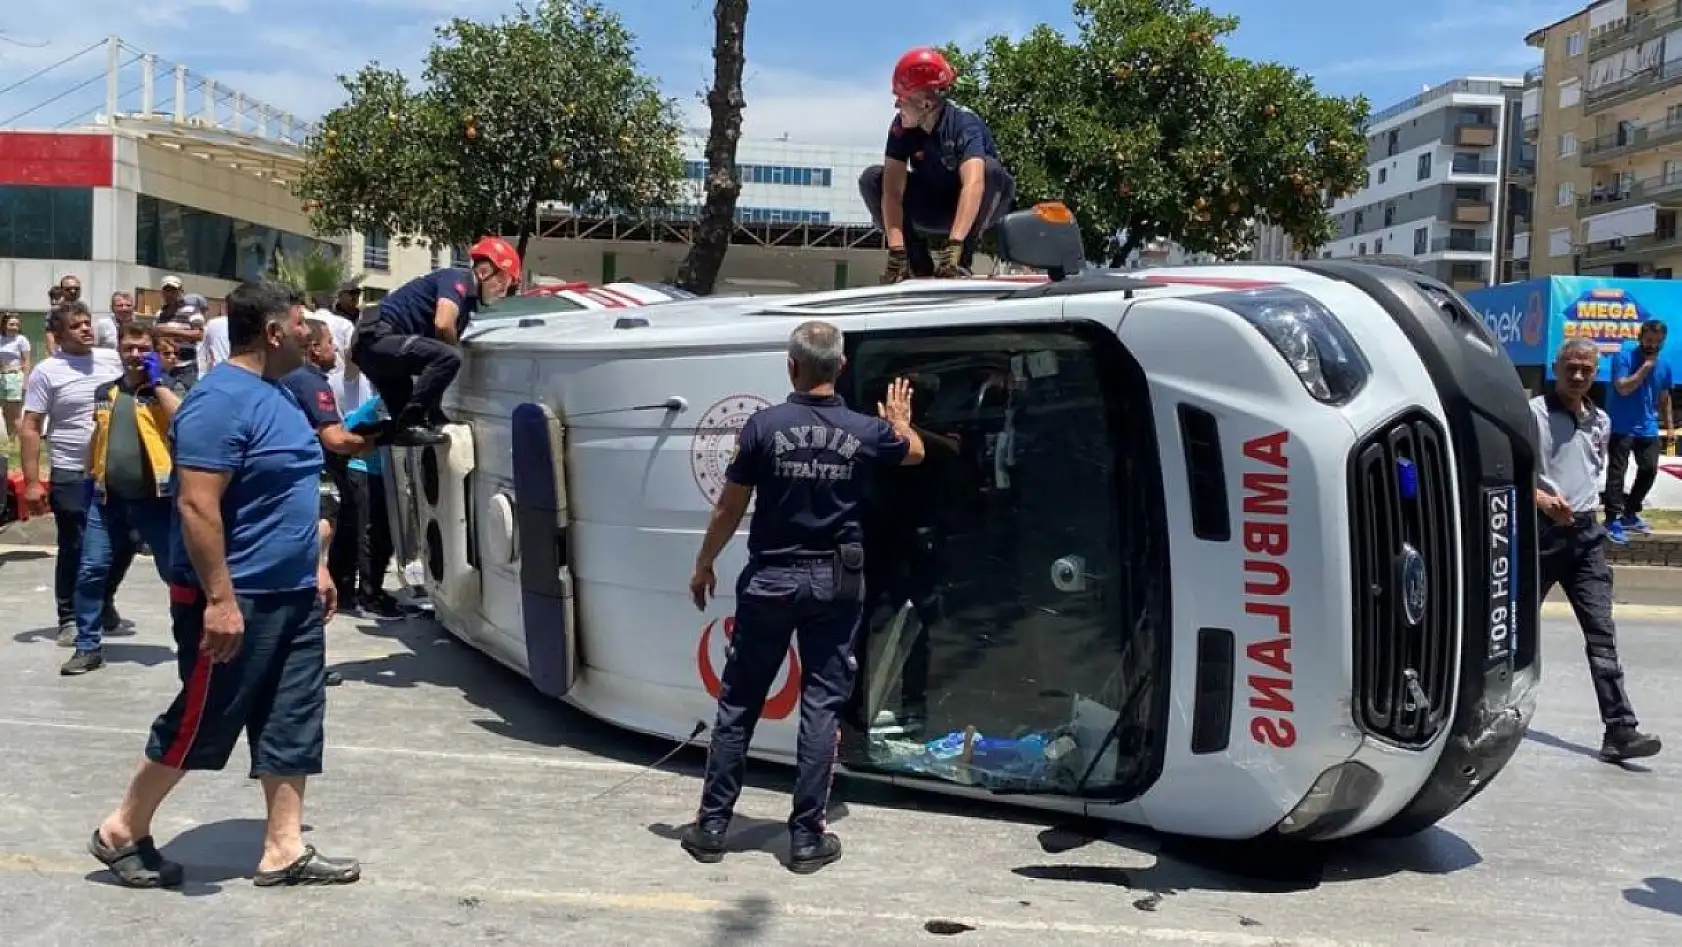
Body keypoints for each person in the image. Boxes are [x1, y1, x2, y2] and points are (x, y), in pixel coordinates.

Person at [88, 280, 360, 889]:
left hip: (291, 593)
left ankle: (283, 849)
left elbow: (288, 491)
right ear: (272, 332)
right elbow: (196, 506)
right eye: (300, 324)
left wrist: (315, 566)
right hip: (237, 597)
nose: (310, 334)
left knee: (294, 717)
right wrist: (219, 600)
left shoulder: (282, 395)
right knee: (205, 716)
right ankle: (121, 830)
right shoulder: (219, 402)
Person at [682, 320, 926, 874]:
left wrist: (704, 564)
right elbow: (913, 454)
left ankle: (713, 826)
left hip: (771, 579)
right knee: (821, 707)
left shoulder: (762, 428)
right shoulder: (865, 431)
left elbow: (729, 506)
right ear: (840, 367)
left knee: (740, 700)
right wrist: (902, 422)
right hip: (837, 583)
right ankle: (807, 836)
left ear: (791, 366)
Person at [1534, 339, 1662, 764]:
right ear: (1556, 367)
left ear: (1596, 374)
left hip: (1586, 538)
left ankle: (1620, 729)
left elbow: (1592, 472)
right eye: (1570, 367)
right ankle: (1479, 714)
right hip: (1541, 535)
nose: (1577, 376)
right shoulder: (1533, 414)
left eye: (1585, 369)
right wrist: (1540, 499)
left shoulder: (1601, 420)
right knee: (1507, 630)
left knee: (1602, 635)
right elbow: (1508, 470)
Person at [62, 324, 188, 675]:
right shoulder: (105, 391)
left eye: (142, 349)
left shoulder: (168, 389)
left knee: (175, 573)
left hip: (157, 501)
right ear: (118, 349)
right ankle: (87, 646)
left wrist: (158, 382)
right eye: (129, 348)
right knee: (91, 570)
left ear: (153, 352)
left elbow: (186, 420)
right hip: (108, 500)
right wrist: (89, 477)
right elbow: (97, 437)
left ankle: (192, 640)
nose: (135, 355)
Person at [19, 303, 132, 644]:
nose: (86, 329)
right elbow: (30, 427)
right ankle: (69, 616)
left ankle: (102, 597)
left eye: (88, 323)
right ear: (58, 334)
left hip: (113, 470)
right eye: (76, 326)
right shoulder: (47, 371)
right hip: (71, 471)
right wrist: (33, 481)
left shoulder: (112, 361)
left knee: (127, 541)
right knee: (76, 544)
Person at [859, 46, 1016, 283]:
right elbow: (891, 192)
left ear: (925, 104)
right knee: (872, 179)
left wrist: (954, 245)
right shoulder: (901, 128)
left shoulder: (963, 123)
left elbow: (973, 185)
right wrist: (897, 250)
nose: (896, 107)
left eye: (901, 100)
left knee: (990, 169)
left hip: (973, 207)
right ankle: (916, 261)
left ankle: (961, 258)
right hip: (930, 205)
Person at [349, 236, 521, 446]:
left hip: (373, 346)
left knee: (402, 427)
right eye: (502, 284)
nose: (502, 293)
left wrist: (435, 408)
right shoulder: (459, 279)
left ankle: (345, 444)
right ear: (484, 272)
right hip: (378, 337)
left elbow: (434, 358)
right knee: (449, 357)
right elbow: (443, 324)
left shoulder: (467, 307)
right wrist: (453, 358)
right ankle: (414, 421)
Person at [279, 319, 379, 613]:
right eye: (328, 343)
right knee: (327, 522)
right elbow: (334, 438)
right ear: (313, 349)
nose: (333, 348)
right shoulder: (310, 381)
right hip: (309, 471)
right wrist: (372, 441)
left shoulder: (290, 377)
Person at [1603, 319, 1674, 543]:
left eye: (1657, 342)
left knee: (1649, 469)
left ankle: (1630, 512)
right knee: (1617, 473)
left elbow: (1664, 398)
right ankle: (1612, 518)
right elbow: (1622, 388)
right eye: (1649, 340)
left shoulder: (1664, 366)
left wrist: (1669, 426)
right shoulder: (1623, 357)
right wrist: (1645, 368)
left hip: (1648, 427)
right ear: (1640, 337)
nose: (1652, 345)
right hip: (1621, 426)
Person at [341, 395, 402, 618]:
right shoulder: (381, 402)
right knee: (371, 534)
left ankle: (373, 589)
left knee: (380, 534)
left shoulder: (385, 401)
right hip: (364, 471)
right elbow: (349, 427)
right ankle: (368, 597)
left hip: (376, 472)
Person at [1, 312, 31, 446]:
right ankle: (9, 440)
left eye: (17, 324)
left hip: (15, 378)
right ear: (4, 325)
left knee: (15, 414)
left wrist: (25, 381)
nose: (14, 327)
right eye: (11, 324)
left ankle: (20, 442)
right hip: (2, 377)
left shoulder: (21, 340)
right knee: (5, 413)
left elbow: (27, 362)